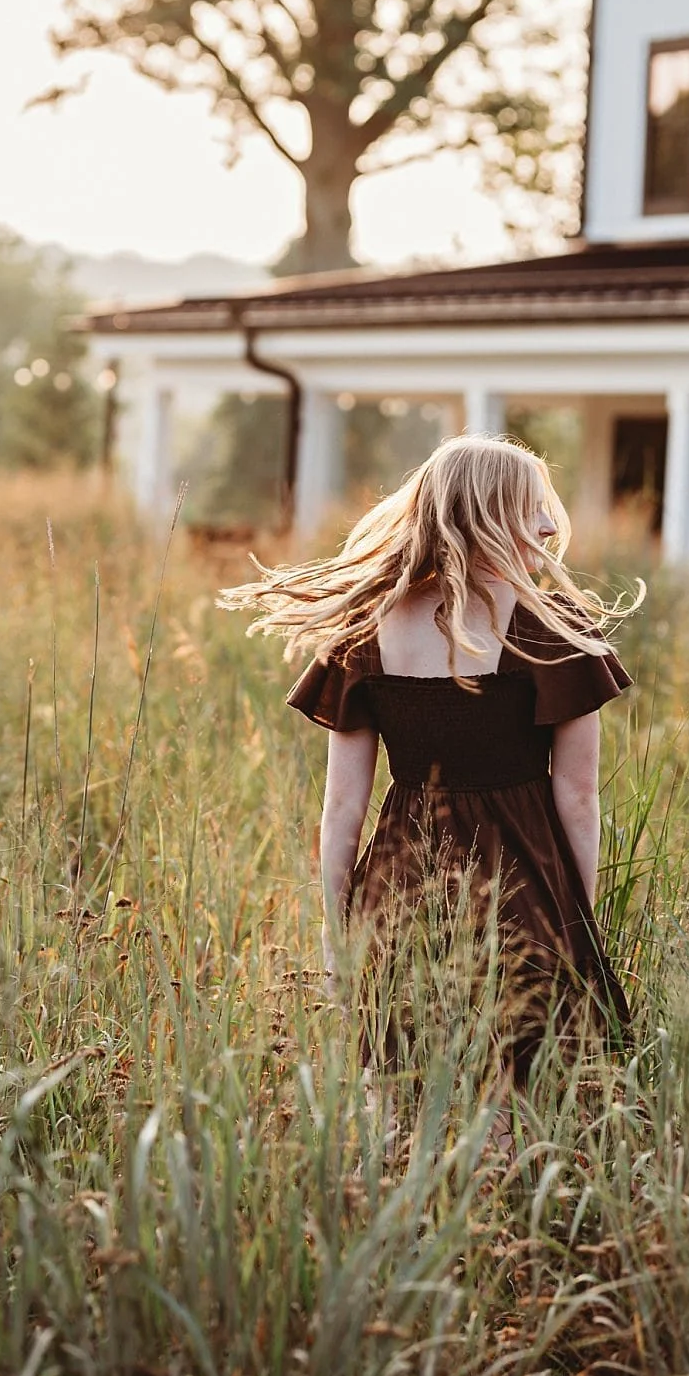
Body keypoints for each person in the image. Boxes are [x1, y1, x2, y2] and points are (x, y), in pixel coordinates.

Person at [221, 434, 641, 1106]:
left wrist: (337, 938)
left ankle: (381, 1201)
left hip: (400, 885)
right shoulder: (553, 627)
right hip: (519, 885)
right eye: (529, 507)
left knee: (392, 1089)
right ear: (484, 514)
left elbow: (342, 812)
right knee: (505, 1097)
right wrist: (577, 921)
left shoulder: (365, 626)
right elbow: (580, 800)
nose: (546, 524)